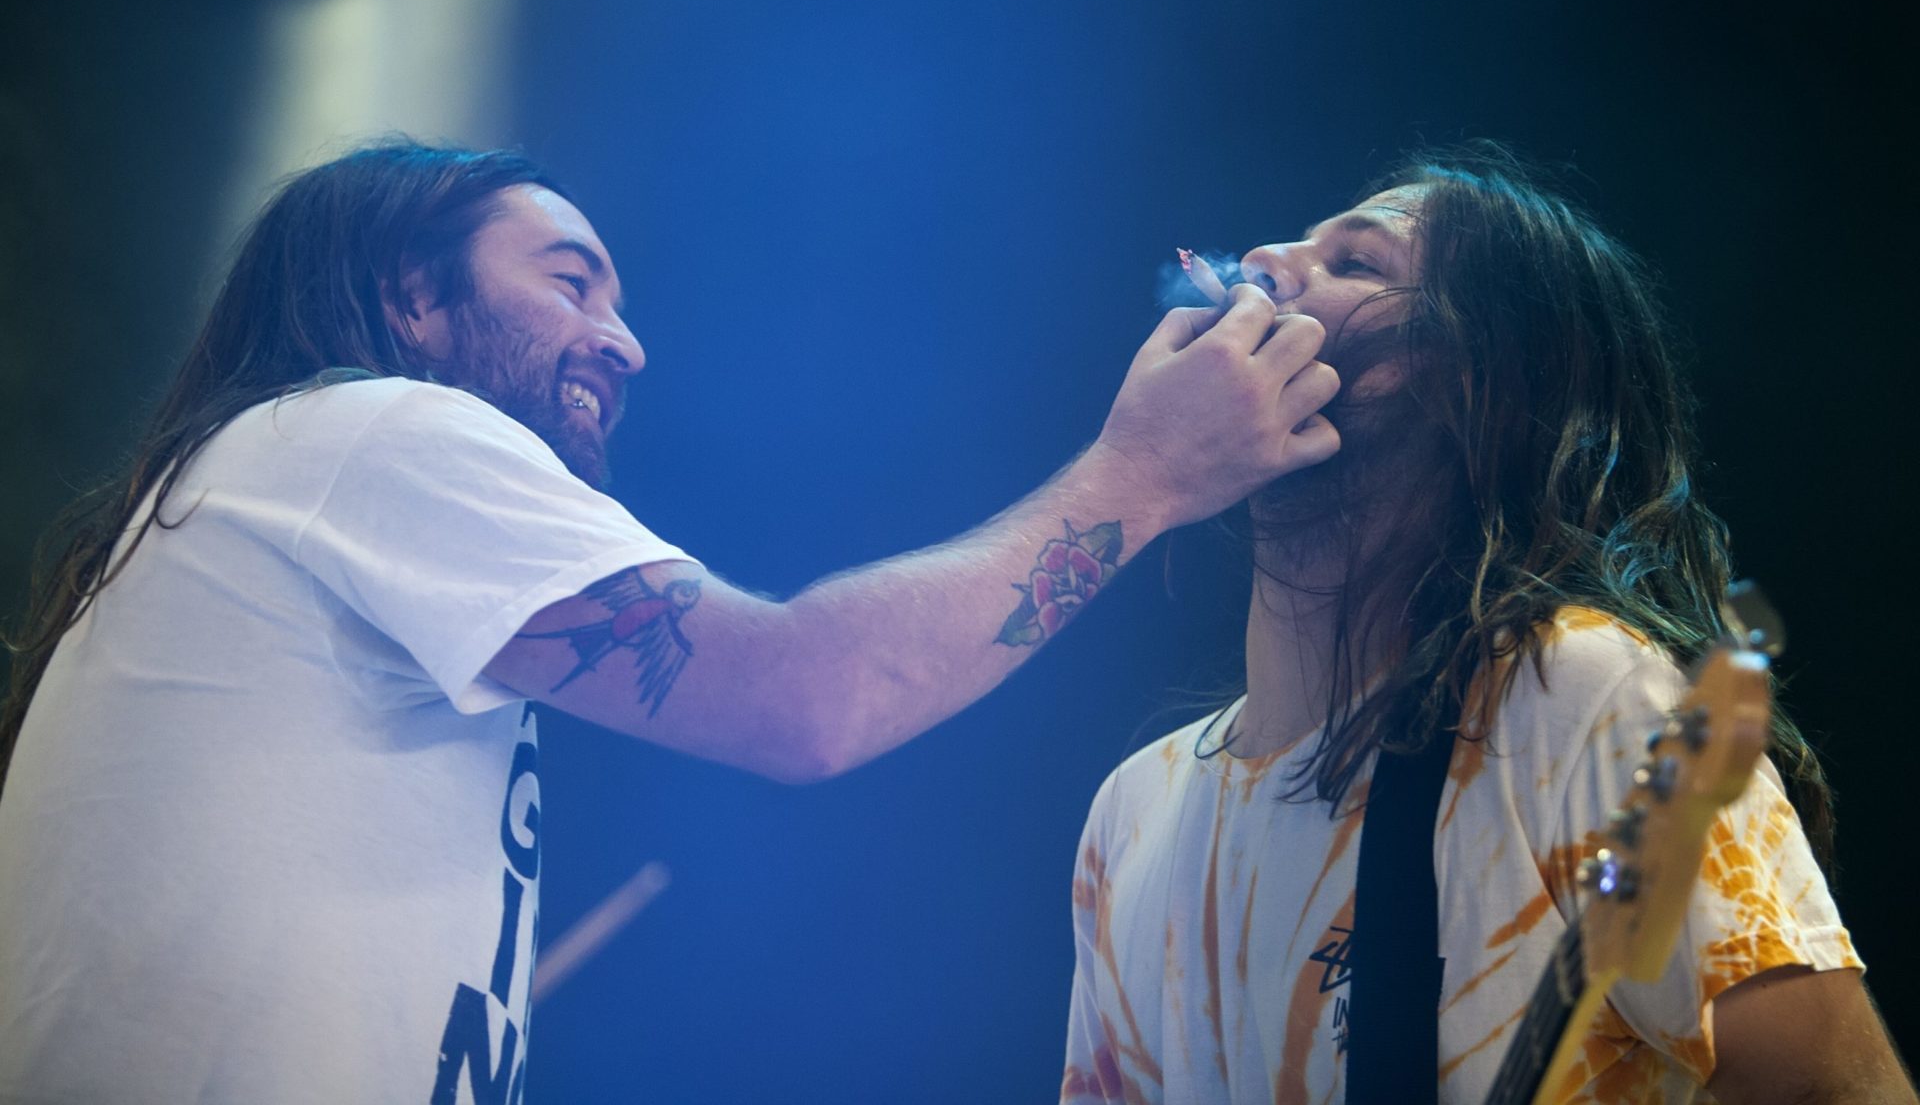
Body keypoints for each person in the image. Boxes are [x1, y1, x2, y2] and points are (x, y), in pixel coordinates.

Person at [0, 140, 1339, 1104]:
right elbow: (807, 699)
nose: (626, 341)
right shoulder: (369, 430)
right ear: (415, 299)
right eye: (572, 282)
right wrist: (1144, 474)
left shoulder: (298, 478)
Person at [1059, 146, 1915, 1104]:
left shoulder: (1583, 699)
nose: (1265, 257)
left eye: (1356, 263)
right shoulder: (1132, 813)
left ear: (1475, 385)